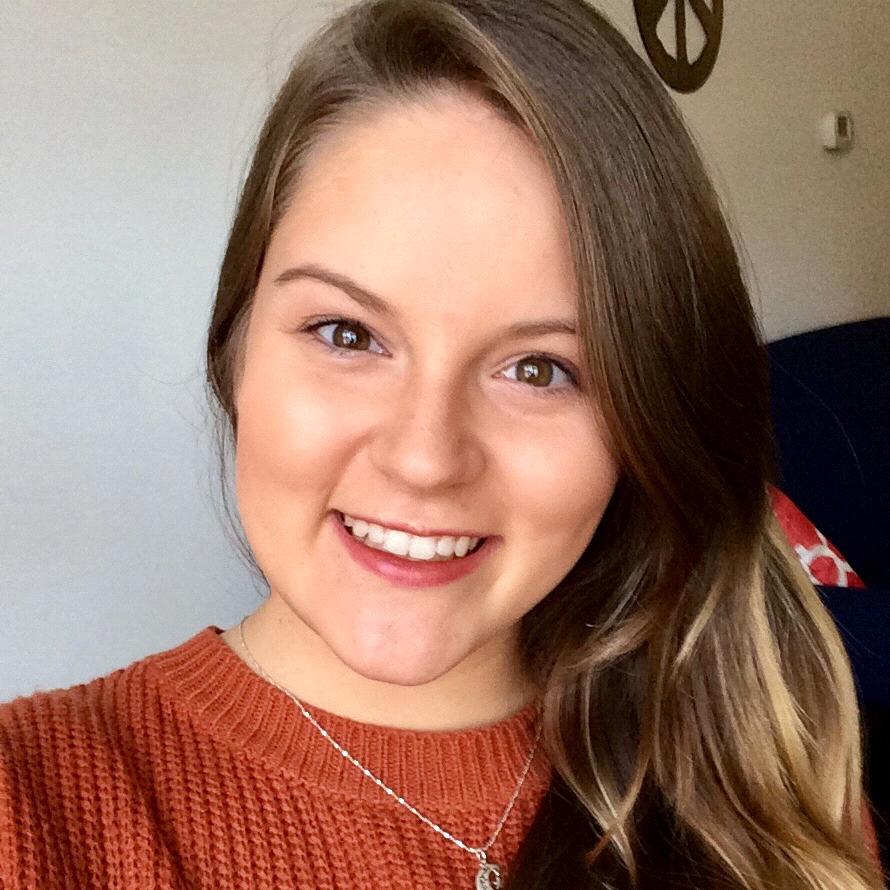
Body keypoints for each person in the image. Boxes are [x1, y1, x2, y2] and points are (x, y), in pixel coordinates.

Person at [1, 1, 884, 887]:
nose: (424, 460)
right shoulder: (33, 808)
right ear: (234, 351)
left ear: (643, 422)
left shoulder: (754, 777)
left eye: (539, 369)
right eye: (347, 334)